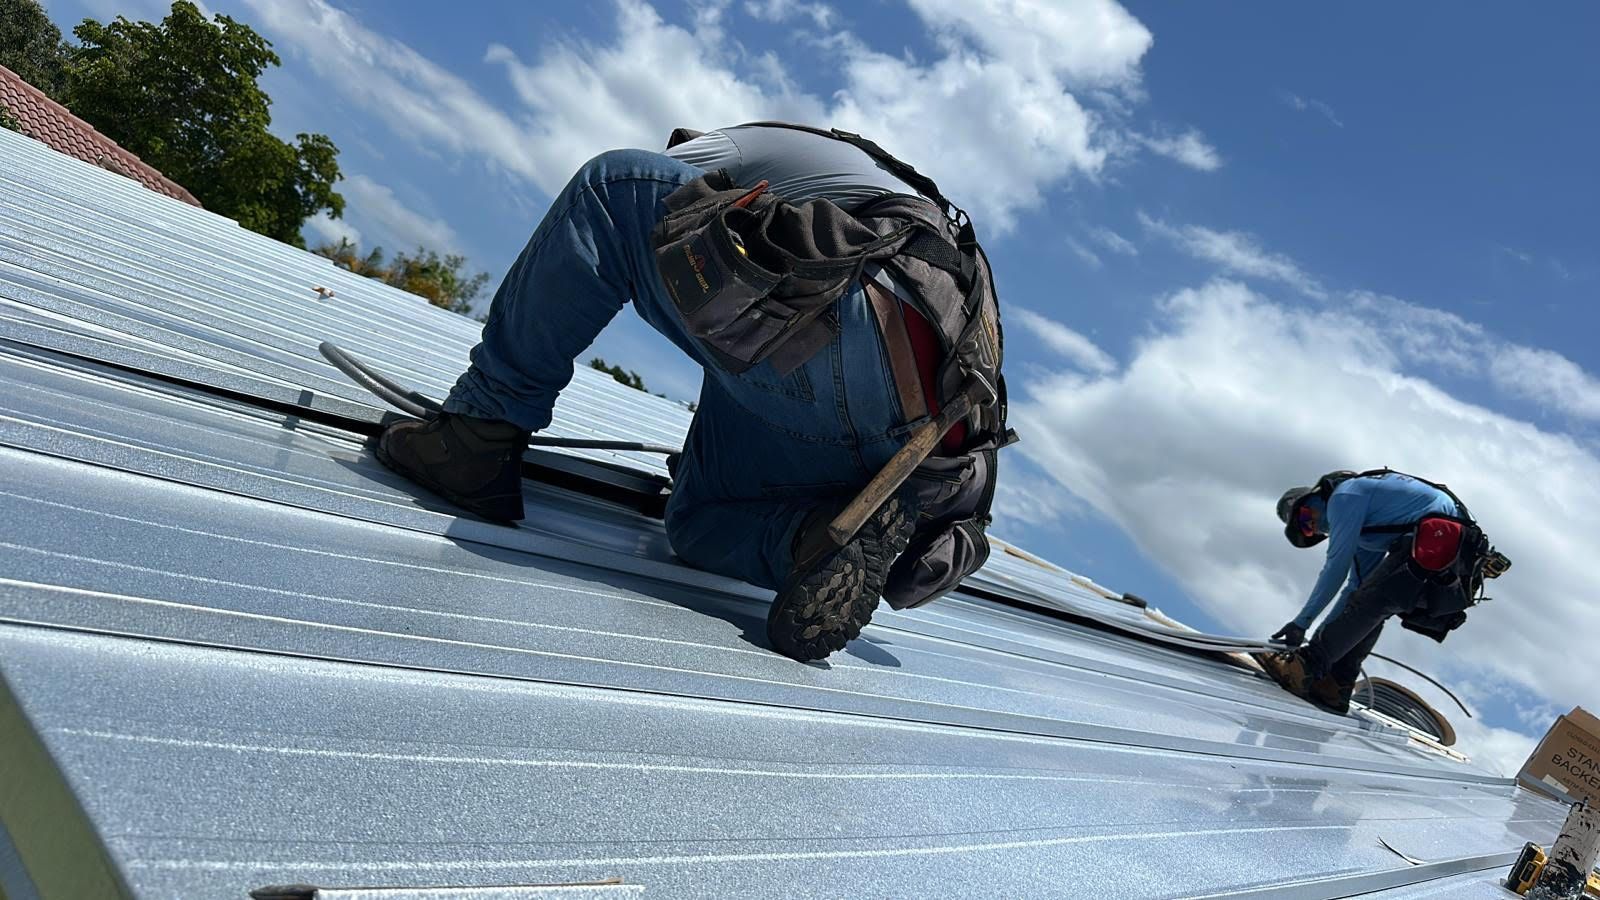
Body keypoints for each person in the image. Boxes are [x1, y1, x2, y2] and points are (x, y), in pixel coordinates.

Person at [375, 123, 1009, 662]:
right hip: (912, 457)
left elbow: (669, 199)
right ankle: (811, 537)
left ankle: (475, 435)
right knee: (697, 522)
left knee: (613, 188)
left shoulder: (734, 143)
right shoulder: (889, 200)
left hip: (851, 327)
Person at [1257, 469, 1504, 714]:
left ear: (1317, 497)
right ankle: (1334, 684)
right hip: (1443, 545)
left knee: (1374, 601)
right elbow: (1355, 589)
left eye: (1304, 517)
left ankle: (1304, 666)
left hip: (1439, 537)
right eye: (1308, 530)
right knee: (1372, 600)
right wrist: (1317, 633)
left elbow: (1336, 567)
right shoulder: (1369, 531)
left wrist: (1301, 623)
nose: (1314, 525)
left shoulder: (1345, 496)